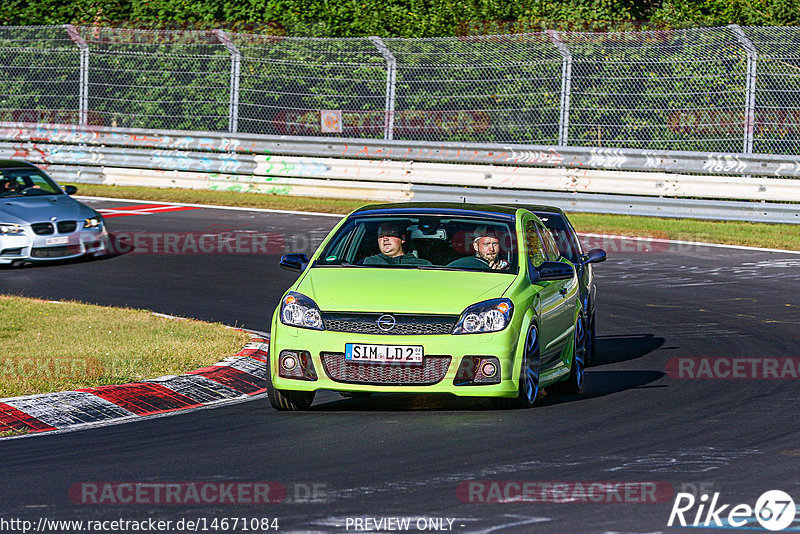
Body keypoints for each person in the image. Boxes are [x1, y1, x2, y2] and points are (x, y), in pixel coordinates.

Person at [362, 222, 432, 266]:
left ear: (403, 239)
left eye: (390, 235)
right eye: (381, 236)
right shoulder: (366, 263)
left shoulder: (422, 265)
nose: (385, 238)